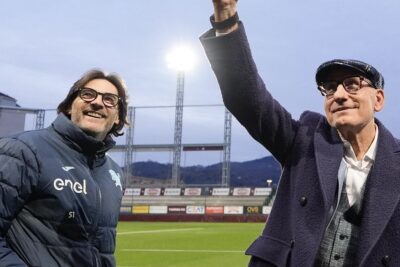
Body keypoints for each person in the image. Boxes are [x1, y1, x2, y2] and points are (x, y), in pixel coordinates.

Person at [200, 1, 400, 266]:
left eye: (352, 85)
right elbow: (247, 98)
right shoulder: (304, 138)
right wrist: (226, 17)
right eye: (329, 88)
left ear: (378, 99)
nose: (339, 95)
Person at [0, 69, 129, 267]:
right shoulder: (22, 151)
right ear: (69, 106)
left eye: (110, 99)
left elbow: (102, 250)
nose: (97, 102)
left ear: (118, 117)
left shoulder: (114, 173)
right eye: (87, 94)